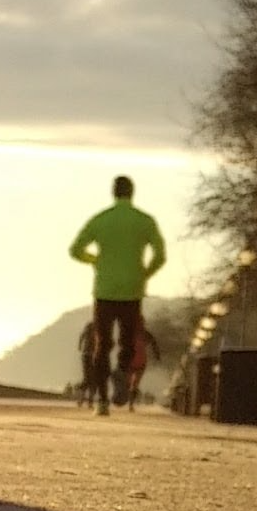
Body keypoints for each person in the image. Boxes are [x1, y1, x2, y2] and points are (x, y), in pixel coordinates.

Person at [69, 174, 168, 417]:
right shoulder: (144, 221)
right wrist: (144, 274)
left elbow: (75, 250)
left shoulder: (101, 220)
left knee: (102, 346)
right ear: (132, 193)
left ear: (113, 193)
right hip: (132, 290)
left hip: (104, 290)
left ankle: (102, 401)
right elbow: (160, 255)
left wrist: (96, 260)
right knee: (127, 341)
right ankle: (122, 372)